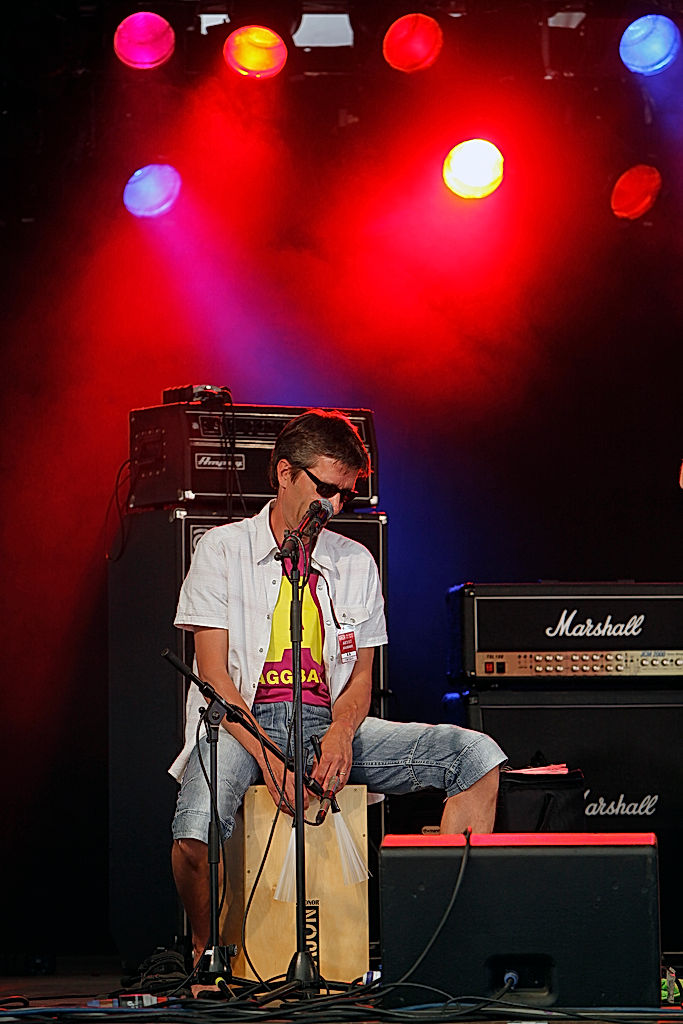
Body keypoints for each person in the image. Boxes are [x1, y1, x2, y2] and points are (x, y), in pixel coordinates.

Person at [169, 408, 505, 961]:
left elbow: (361, 678)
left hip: (326, 723)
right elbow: (214, 678)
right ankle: (208, 949)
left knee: (476, 757)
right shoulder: (222, 550)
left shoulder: (356, 562)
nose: (334, 507)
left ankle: (450, 949)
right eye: (325, 489)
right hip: (239, 723)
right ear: (284, 474)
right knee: (193, 834)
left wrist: (343, 734)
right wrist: (270, 757)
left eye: (346, 494)